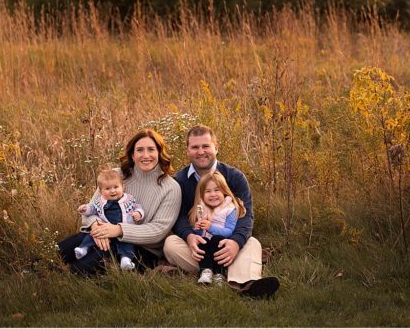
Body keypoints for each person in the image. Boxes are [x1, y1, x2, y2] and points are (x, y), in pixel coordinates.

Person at [163, 125, 279, 298]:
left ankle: (248, 285)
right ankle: (220, 269)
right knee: (170, 243)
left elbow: (245, 217)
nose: (201, 152)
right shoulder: (179, 181)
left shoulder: (234, 177)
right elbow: (178, 216)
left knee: (252, 242)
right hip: (200, 247)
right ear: (187, 150)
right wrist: (189, 236)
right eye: (195, 147)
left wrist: (235, 243)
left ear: (216, 147)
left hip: (227, 242)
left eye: (206, 146)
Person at [58, 129, 182, 275]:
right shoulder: (116, 175)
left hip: (141, 249)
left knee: (90, 263)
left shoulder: (171, 187)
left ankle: (60, 279)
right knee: (65, 248)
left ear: (160, 153)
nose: (146, 155)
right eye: (140, 150)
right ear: (132, 154)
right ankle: (33, 268)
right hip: (102, 233)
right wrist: (97, 227)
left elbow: (158, 230)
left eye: (151, 150)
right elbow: (91, 209)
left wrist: (118, 230)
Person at [73, 169, 145, 270]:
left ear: (123, 187)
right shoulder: (100, 202)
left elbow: (138, 207)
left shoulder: (128, 199)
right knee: (92, 236)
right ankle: (83, 248)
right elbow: (92, 209)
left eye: (116, 187)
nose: (112, 191)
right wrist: (85, 209)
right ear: (100, 191)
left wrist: (138, 213)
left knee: (127, 244)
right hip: (104, 230)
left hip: (122, 231)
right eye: (107, 188)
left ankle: (125, 260)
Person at [187, 171, 245, 285]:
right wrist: (198, 229)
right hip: (206, 246)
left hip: (221, 243)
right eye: (208, 191)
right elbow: (199, 234)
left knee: (216, 240)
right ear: (202, 195)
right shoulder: (201, 208)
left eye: (217, 190)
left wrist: (210, 227)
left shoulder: (229, 209)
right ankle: (206, 271)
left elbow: (229, 232)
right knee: (202, 242)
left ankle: (219, 274)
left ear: (224, 191)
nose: (213, 194)